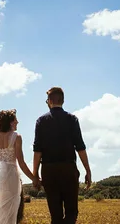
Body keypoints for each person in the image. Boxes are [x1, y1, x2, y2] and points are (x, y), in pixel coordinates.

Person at [32, 87, 92, 224]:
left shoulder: (41, 121)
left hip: (48, 170)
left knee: (55, 214)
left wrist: (35, 174)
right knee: (71, 212)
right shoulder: (72, 119)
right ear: (63, 100)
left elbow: (37, 151)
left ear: (49, 101)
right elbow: (80, 147)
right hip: (68, 169)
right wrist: (88, 170)